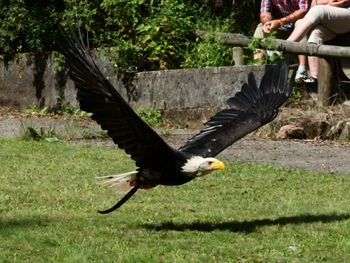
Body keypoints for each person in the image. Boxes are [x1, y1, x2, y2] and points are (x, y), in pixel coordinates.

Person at [287, 0, 350, 83]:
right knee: (307, 28)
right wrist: (329, 3)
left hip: (345, 15)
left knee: (318, 10)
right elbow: (314, 3)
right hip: (331, 20)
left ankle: (285, 46)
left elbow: (344, 2)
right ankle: (315, 77)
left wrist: (328, 3)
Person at [253, 0, 310, 81]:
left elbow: (303, 11)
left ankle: (302, 69)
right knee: (260, 29)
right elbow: (264, 13)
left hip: (299, 23)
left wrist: (280, 22)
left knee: (301, 24)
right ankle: (259, 68)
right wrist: (268, 24)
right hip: (281, 25)